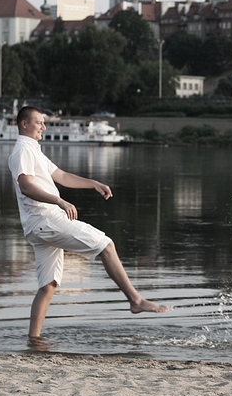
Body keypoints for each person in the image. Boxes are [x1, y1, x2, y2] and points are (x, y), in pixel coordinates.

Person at [9, 106, 168, 341]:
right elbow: (26, 186)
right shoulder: (22, 149)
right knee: (106, 245)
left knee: (48, 285)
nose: (44, 126)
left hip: (39, 227)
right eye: (39, 122)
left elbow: (61, 176)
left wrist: (93, 183)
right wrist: (59, 200)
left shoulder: (34, 150)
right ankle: (136, 300)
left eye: (43, 122)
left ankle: (34, 340)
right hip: (46, 220)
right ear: (24, 124)